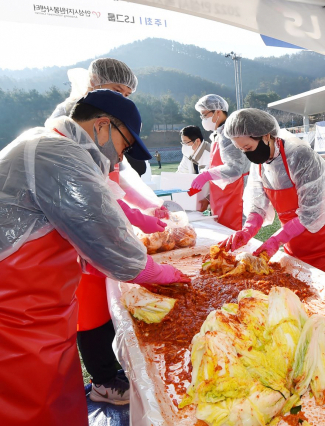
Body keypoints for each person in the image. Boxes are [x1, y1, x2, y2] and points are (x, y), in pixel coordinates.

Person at [0, 90, 189, 425]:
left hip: (36, 305)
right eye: (123, 146)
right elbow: (108, 242)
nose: (119, 160)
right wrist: (160, 273)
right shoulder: (57, 153)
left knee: (54, 395)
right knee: (32, 405)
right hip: (16, 313)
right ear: (103, 126)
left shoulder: (47, 144)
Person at [47, 59, 168, 406]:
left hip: (102, 223)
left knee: (110, 305)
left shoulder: (105, 128)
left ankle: (113, 371)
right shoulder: (72, 127)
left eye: (127, 94)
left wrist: (142, 210)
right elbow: (88, 193)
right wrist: (131, 217)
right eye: (117, 91)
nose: (123, 99)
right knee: (90, 313)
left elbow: (115, 180)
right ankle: (103, 380)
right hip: (80, 235)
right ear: (95, 84)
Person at [220, 108, 325, 281]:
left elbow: (312, 213)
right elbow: (258, 204)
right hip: (292, 237)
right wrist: (248, 230)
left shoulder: (300, 156)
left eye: (248, 147)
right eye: (241, 150)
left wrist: (277, 239)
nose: (247, 154)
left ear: (266, 136)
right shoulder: (259, 163)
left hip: (324, 237)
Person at [189, 94, 251, 230]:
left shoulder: (228, 135)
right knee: (223, 229)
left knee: (234, 231)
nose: (203, 119)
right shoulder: (218, 134)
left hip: (234, 192)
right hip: (222, 191)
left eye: (205, 114)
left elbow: (235, 169)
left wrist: (206, 175)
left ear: (218, 111)